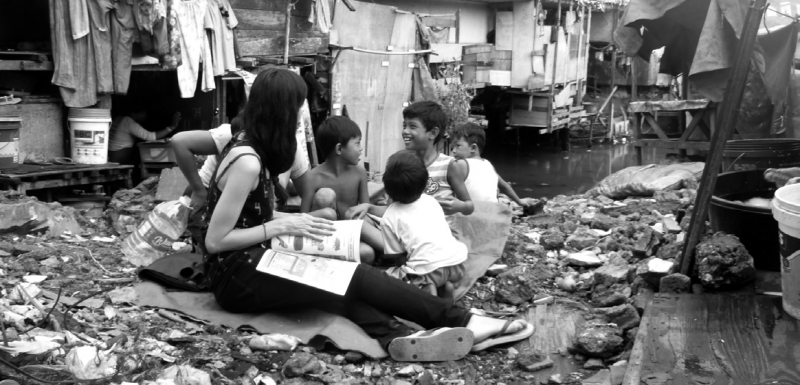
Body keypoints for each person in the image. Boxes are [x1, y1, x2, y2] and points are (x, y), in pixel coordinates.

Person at [202, 68, 532, 362]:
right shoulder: (248, 162)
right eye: (296, 108)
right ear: (281, 111)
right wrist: (282, 223)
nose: (300, 117)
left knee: (339, 281)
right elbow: (216, 241)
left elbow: (248, 213)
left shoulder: (249, 145)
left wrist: (289, 220)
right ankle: (463, 321)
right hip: (236, 276)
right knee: (354, 276)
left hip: (253, 259)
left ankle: (397, 336)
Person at [380, 150, 467, 302]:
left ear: (388, 189)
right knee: (439, 273)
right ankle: (447, 290)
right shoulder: (431, 201)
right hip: (457, 265)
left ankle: (428, 293)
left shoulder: (389, 216)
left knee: (390, 278)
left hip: (429, 272)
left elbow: (398, 258)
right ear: (425, 182)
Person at [298, 116, 384, 264]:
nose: (361, 148)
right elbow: (303, 217)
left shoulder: (359, 172)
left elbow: (365, 210)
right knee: (325, 195)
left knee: (367, 253)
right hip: (324, 235)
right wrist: (326, 214)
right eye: (357, 143)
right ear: (339, 148)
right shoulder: (313, 177)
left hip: (350, 235)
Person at [450, 123, 537, 208]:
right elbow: (505, 186)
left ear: (473, 148)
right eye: (453, 147)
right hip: (492, 216)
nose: (453, 150)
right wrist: (519, 201)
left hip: (472, 217)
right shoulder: (488, 164)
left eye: (458, 146)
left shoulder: (461, 164)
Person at [108, 107, 181, 165]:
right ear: (142, 113)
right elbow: (151, 137)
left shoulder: (119, 118)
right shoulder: (128, 122)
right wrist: (172, 127)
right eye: (145, 115)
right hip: (119, 157)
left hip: (112, 155)